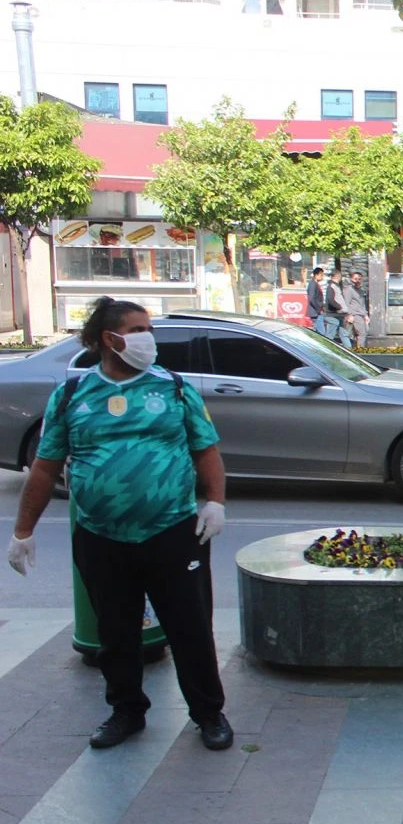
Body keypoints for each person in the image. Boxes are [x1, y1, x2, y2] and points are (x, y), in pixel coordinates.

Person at [6, 297, 233, 752]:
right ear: (110, 339)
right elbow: (45, 467)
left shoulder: (173, 388)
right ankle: (126, 710)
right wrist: (22, 531)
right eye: (139, 329)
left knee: (189, 628)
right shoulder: (72, 396)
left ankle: (208, 713)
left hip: (173, 532)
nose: (149, 338)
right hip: (101, 537)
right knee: (116, 632)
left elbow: (205, 450)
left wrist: (215, 502)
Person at [342, 270, 370, 348]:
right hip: (354, 314)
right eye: (355, 279)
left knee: (359, 334)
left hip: (361, 314)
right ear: (351, 279)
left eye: (359, 279)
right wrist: (349, 315)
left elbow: (362, 304)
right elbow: (346, 303)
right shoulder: (349, 290)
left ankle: (357, 350)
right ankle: (360, 351)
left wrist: (365, 315)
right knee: (362, 333)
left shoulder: (361, 291)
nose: (357, 281)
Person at [325, 267, 351, 347]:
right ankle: (327, 347)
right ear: (337, 276)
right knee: (330, 335)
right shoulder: (331, 286)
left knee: (343, 333)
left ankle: (349, 349)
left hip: (339, 315)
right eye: (340, 276)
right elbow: (330, 299)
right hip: (333, 315)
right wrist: (338, 307)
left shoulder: (336, 286)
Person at [307, 266, 329, 337]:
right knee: (322, 333)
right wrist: (318, 309)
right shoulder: (313, 284)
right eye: (321, 275)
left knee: (316, 332)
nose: (322, 277)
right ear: (316, 275)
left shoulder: (315, 284)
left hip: (317, 311)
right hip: (316, 312)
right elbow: (311, 298)